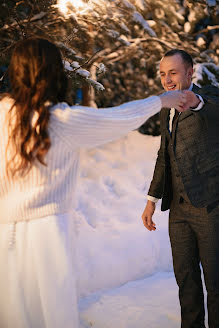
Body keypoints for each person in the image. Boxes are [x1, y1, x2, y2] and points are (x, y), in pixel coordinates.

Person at [0, 38, 194, 328]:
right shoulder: (61, 120)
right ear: (53, 72)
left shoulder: (4, 113)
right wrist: (160, 102)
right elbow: (116, 119)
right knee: (53, 313)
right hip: (47, 231)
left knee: (14, 313)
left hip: (6, 232)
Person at [141, 49, 219, 328]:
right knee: (186, 281)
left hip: (211, 208)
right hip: (178, 211)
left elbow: (211, 108)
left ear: (190, 72)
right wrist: (152, 199)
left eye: (173, 72)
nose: (167, 79)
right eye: (163, 74)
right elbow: (164, 156)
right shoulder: (167, 108)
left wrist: (196, 102)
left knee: (216, 284)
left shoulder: (209, 96)